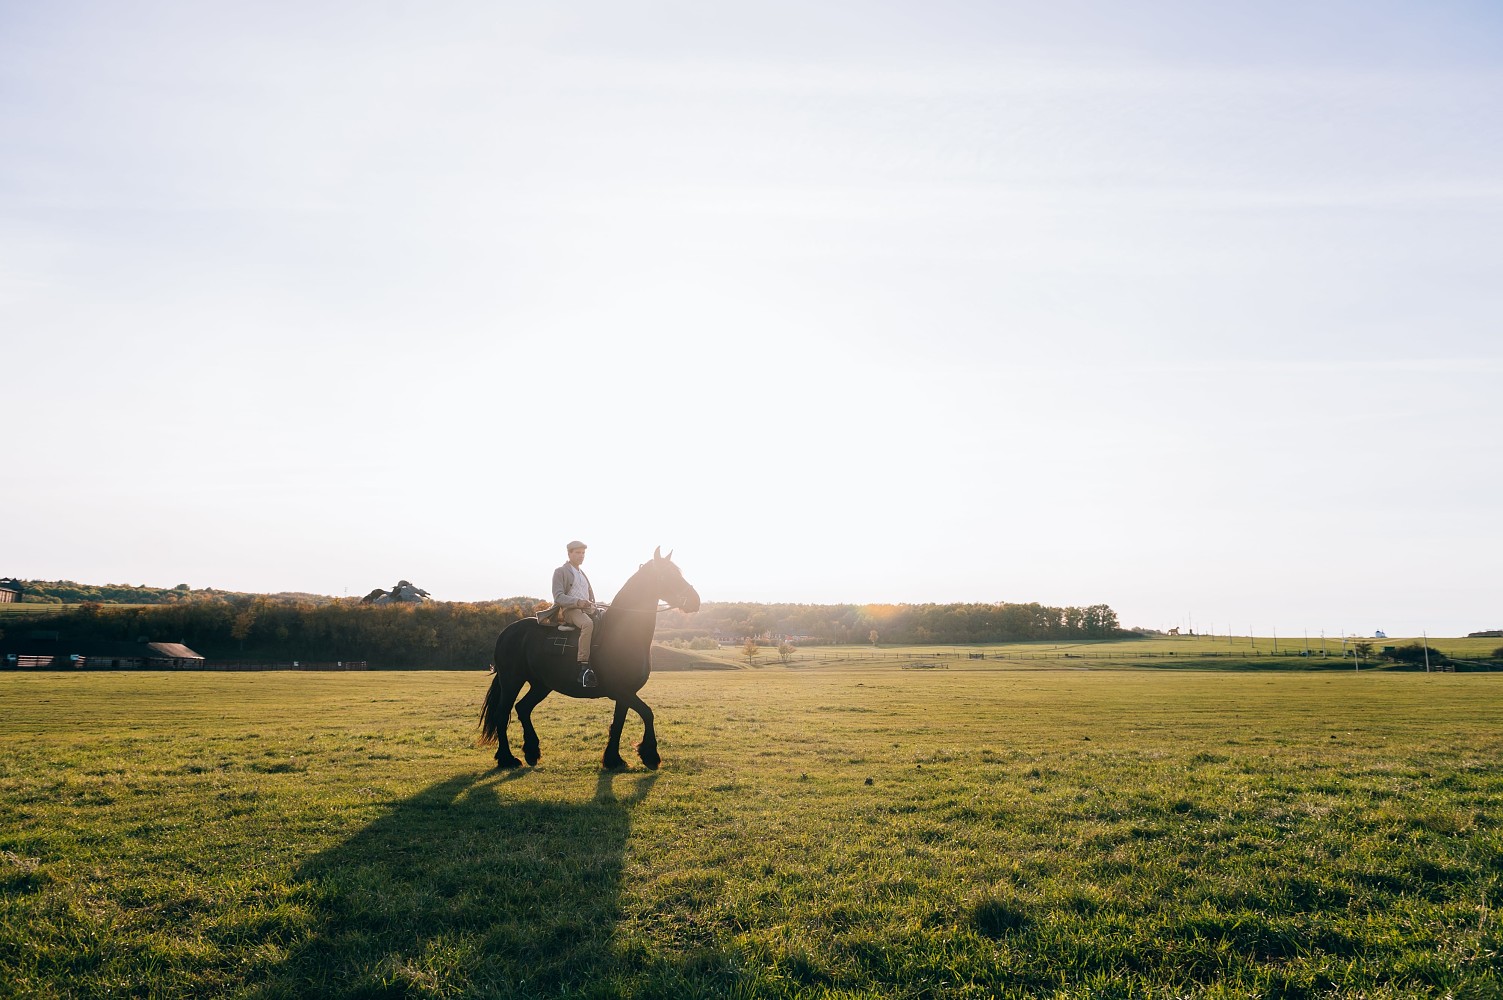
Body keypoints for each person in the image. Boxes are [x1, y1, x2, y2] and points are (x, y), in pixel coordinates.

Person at [551, 540, 598, 688]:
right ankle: (583, 667)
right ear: (569, 553)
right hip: (570, 611)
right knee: (587, 624)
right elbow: (558, 597)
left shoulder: (582, 574)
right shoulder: (560, 571)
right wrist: (578, 602)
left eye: (583, 553)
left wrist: (592, 605)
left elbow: (588, 596)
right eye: (577, 553)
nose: (581, 556)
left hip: (587, 609)